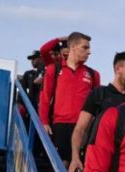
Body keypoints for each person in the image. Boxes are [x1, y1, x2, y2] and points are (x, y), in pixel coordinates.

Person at [68, 51, 125, 172]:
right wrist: (75, 158)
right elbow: (80, 129)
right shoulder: (99, 93)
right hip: (97, 164)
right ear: (118, 69)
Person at [39, 32, 100, 165]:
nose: (89, 52)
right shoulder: (54, 69)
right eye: (85, 48)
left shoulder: (93, 74)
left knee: (79, 163)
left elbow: (97, 103)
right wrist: (43, 121)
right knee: (63, 163)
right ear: (73, 48)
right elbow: (45, 96)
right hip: (61, 124)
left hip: (83, 125)